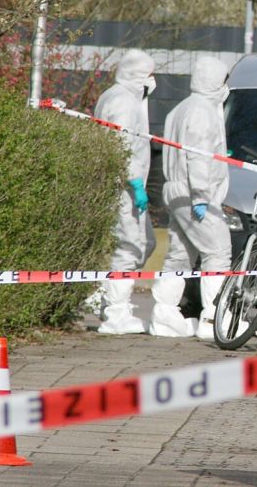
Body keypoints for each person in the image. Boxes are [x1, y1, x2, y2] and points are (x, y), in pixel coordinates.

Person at [149, 56, 233, 340]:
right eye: (223, 81)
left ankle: (164, 315)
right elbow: (197, 157)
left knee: (181, 254)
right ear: (214, 82)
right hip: (195, 192)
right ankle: (214, 318)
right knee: (218, 250)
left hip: (175, 190)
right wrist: (201, 195)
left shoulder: (179, 109)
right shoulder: (203, 112)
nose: (226, 87)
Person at [93, 49, 158, 335]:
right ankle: (116, 311)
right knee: (128, 246)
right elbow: (122, 144)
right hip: (123, 188)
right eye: (149, 74)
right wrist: (134, 182)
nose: (153, 80)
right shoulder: (123, 102)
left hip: (122, 185)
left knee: (144, 242)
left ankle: (107, 296)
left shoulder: (117, 96)